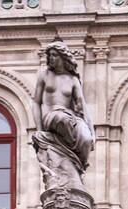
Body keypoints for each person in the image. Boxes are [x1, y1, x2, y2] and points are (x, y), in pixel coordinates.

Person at [32, 42, 95, 173]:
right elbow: (36, 102)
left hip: (68, 116)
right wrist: (39, 129)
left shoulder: (73, 79)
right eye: (49, 56)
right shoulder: (44, 75)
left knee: (86, 139)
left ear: (62, 56)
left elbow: (82, 105)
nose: (51, 58)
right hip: (51, 115)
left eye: (54, 55)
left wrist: (92, 132)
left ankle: (78, 167)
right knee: (61, 118)